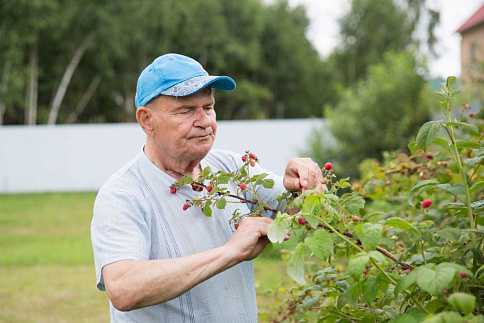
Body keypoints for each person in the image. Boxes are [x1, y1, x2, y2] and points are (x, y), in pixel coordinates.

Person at [91, 53, 326, 322]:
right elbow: (124, 288)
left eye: (208, 107)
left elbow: (299, 211)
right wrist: (229, 252)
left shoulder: (232, 167)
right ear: (147, 120)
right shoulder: (123, 194)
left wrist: (302, 185)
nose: (205, 121)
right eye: (187, 110)